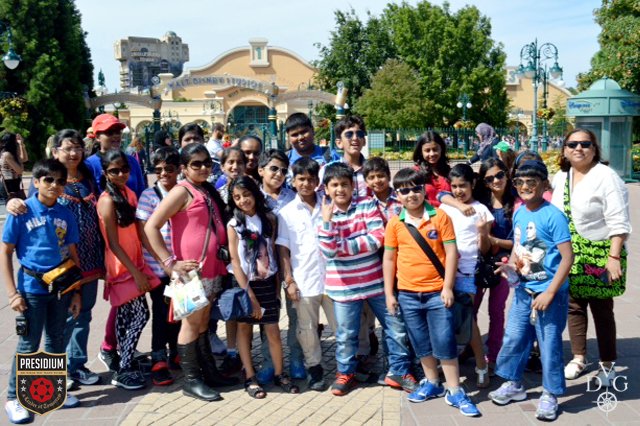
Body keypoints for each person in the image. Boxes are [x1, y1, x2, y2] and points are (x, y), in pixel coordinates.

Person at [6, 129, 106, 389]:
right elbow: (28, 209)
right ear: (55, 151)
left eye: (78, 147)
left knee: (81, 316)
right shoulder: (45, 184)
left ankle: (72, 369)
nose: (74, 153)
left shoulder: (89, 178)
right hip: (49, 272)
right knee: (45, 333)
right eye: (67, 148)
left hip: (86, 261)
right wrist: (12, 202)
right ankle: (25, 390)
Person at [383, 167, 480, 417]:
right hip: (407, 294)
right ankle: (432, 382)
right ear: (397, 195)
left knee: (444, 340)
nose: (411, 195)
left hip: (437, 293)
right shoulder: (395, 223)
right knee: (420, 342)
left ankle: (455, 389)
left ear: (424, 190)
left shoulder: (440, 217)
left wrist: (447, 287)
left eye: (416, 189)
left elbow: (451, 253)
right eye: (404, 191)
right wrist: (389, 294)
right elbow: (389, 259)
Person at [145, 143, 237, 401]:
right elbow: (151, 227)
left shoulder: (205, 189)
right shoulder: (180, 191)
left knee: (203, 322)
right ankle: (192, 380)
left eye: (207, 163)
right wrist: (170, 263)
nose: (204, 168)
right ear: (184, 168)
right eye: (196, 164)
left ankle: (209, 373)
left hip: (211, 270)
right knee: (190, 323)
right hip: (190, 274)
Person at [318, 163, 413, 396]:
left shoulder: (366, 204)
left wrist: (341, 246)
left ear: (353, 186)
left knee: (395, 327)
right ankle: (346, 372)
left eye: (344, 184)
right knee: (346, 334)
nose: (340, 189)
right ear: (326, 189)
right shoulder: (325, 213)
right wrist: (328, 223)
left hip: (376, 282)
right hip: (344, 287)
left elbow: (377, 239)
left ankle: (399, 371)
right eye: (334, 185)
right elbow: (328, 251)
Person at [489, 160, 574, 422]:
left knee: (548, 345)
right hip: (524, 290)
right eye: (519, 182)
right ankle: (514, 383)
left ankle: (550, 393)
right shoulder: (519, 212)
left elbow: (567, 258)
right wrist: (511, 265)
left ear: (544, 185)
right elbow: (519, 246)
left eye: (531, 182)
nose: (525, 187)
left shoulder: (553, 216)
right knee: (515, 337)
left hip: (549, 294)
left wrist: (550, 292)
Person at [2, 159, 82, 424]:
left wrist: (76, 291)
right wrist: (12, 293)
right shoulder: (22, 211)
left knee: (56, 340)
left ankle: (49, 392)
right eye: (48, 179)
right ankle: (14, 398)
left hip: (60, 288)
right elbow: (5, 252)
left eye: (60, 181)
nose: (54, 185)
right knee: (29, 343)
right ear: (35, 182)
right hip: (31, 290)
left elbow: (72, 253)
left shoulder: (65, 213)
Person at [550, 129, 631, 384]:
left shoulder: (606, 177)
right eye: (572, 144)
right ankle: (578, 357)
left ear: (594, 149)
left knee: (601, 310)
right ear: (564, 149)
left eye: (585, 144)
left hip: (599, 255)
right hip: (569, 256)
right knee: (574, 307)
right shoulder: (561, 177)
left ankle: (607, 366)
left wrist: (613, 257)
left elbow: (619, 220)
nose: (579, 148)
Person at [227, 176, 300, 398]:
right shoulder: (234, 225)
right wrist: (249, 296)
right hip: (245, 284)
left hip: (267, 282)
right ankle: (250, 376)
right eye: (237, 197)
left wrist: (277, 287)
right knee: (244, 329)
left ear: (255, 194)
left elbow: (273, 253)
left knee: (273, 330)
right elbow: (235, 261)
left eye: (246, 194)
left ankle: (279, 373)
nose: (243, 200)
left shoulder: (269, 219)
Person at [97, 150, 158, 390]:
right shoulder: (107, 200)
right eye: (114, 170)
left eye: (124, 169)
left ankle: (125, 362)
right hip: (122, 268)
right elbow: (113, 243)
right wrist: (136, 273)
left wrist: (155, 259)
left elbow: (138, 233)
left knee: (127, 317)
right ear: (105, 173)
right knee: (140, 315)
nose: (121, 174)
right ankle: (123, 368)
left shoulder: (129, 193)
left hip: (134, 264)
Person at [276, 157, 336, 391]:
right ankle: (314, 368)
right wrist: (288, 280)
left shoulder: (329, 205)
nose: (306, 184)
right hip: (304, 279)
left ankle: (346, 368)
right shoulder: (286, 213)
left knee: (340, 326)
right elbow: (283, 249)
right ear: (293, 181)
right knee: (307, 329)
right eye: (301, 179)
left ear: (317, 181)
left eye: (311, 179)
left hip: (333, 279)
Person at [439, 164, 494, 389]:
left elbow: (485, 249)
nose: (458, 190)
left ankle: (482, 365)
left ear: (473, 184)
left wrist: (482, 232)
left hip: (467, 273)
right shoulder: (446, 207)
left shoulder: (482, 210)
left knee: (467, 322)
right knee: (445, 321)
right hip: (443, 271)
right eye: (454, 186)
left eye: (462, 185)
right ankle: (447, 365)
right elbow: (441, 198)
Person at [136, 147, 182, 386]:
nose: (164, 173)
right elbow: (144, 232)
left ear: (178, 169)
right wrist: (164, 264)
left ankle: (176, 351)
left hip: (181, 264)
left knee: (179, 310)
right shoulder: (149, 195)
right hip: (158, 266)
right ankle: (158, 356)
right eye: (159, 169)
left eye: (169, 169)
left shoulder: (184, 191)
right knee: (162, 312)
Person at [255, 149, 301, 383]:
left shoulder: (293, 197)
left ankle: (297, 359)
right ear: (260, 170)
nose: (279, 174)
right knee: (268, 316)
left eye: (284, 170)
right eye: (274, 168)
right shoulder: (252, 197)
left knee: (296, 313)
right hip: (263, 267)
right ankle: (269, 361)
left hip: (292, 263)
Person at [473, 158, 515, 375]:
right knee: (471, 308)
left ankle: (494, 353)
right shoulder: (480, 203)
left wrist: (494, 240)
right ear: (484, 182)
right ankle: (472, 347)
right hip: (480, 261)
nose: (496, 181)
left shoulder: (516, 202)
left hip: (503, 264)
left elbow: (517, 241)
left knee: (496, 310)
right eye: (490, 178)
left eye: (499, 175)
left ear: (506, 174)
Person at [85, 114, 146, 198]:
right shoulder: (89, 165)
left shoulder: (132, 161)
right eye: (109, 132)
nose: (115, 135)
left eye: (118, 132)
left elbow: (141, 192)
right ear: (97, 137)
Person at [412, 131, 451, 207]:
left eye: (435, 149)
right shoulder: (415, 173)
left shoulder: (449, 171)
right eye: (427, 150)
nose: (432, 154)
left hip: (450, 213)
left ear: (441, 149)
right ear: (421, 152)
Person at [0, 132, 26, 200]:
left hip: (15, 183)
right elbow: (20, 170)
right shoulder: (6, 154)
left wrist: (21, 145)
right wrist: (20, 161)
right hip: (9, 185)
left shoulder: (11, 153)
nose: (16, 143)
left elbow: (25, 159)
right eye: (15, 141)